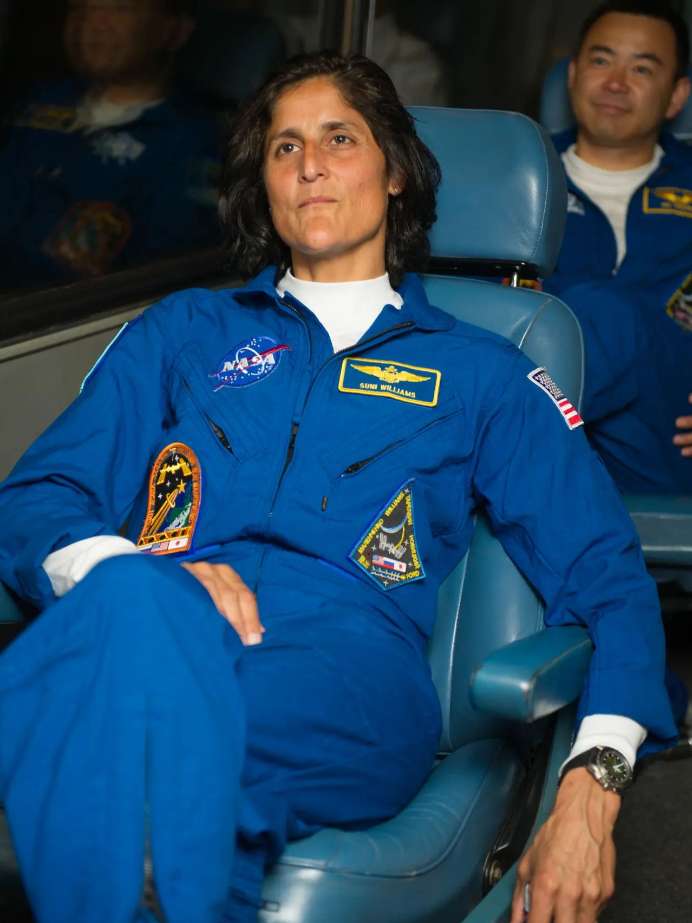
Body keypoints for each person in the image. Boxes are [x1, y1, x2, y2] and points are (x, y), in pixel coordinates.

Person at [0, 51, 679, 923]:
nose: (309, 164)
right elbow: (36, 498)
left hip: (345, 668)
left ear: (395, 172)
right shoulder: (183, 332)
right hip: (149, 629)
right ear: (265, 184)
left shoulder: (486, 371)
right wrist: (136, 574)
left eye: (339, 139)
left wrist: (594, 780)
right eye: (285, 147)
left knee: (130, 729)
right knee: (134, 628)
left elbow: (608, 576)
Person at [543, 0, 692, 493]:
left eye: (642, 69)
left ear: (676, 96)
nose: (615, 83)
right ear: (573, 75)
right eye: (602, 60)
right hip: (548, 426)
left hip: (667, 427)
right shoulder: (518, 182)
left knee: (606, 312)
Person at [0, 0, 220, 289]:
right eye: (80, 8)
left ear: (175, 31)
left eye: (120, 8)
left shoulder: (194, 141)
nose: (93, 23)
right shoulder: (39, 104)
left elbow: (162, 279)